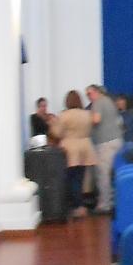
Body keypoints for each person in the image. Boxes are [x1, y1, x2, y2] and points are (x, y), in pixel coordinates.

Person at [50, 91, 95, 219]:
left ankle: (76, 207)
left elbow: (56, 133)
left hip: (70, 148)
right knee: (80, 179)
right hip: (85, 147)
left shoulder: (64, 115)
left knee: (70, 179)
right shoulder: (87, 114)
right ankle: (81, 205)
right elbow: (91, 129)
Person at [87, 84, 123, 214]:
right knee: (112, 173)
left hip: (105, 142)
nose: (88, 97)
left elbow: (96, 120)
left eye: (89, 94)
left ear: (96, 92)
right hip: (117, 140)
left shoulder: (97, 103)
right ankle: (112, 201)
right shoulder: (109, 101)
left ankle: (104, 205)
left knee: (103, 174)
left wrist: (86, 119)